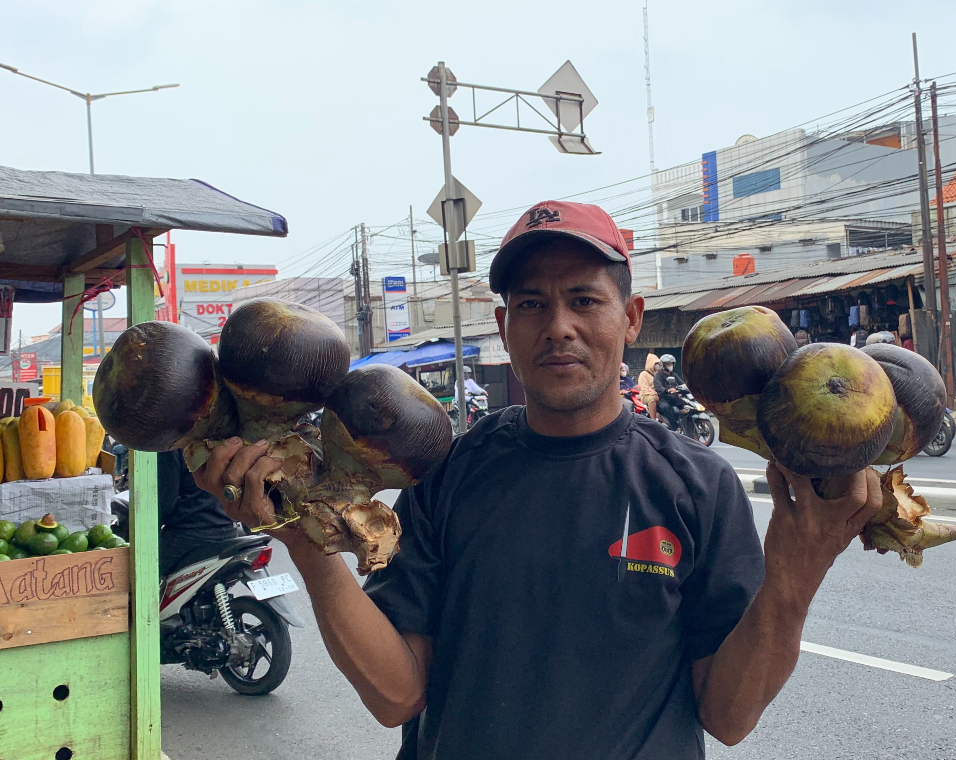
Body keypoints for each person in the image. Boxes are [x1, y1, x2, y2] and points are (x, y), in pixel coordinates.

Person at [194, 200, 882, 760]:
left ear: (631, 319)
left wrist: (796, 573)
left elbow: (728, 718)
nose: (559, 327)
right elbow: (396, 696)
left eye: (585, 301)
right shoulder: (449, 471)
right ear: (504, 325)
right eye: (532, 305)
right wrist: (307, 546)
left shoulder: (696, 486)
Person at [158, 449, 239, 577]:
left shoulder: (172, 446)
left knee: (141, 571)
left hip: (187, 535)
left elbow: (165, 500)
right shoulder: (221, 439)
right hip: (229, 530)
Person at [653, 353, 684, 430]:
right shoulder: (658, 375)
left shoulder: (673, 374)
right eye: (668, 364)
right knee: (665, 407)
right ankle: (675, 427)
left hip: (675, 397)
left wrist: (686, 387)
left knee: (686, 405)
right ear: (663, 365)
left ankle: (685, 424)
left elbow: (681, 383)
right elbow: (658, 387)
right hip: (664, 398)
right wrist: (667, 390)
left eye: (672, 364)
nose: (671, 366)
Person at [638, 353, 660, 421]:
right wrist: (654, 394)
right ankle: (653, 419)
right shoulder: (643, 374)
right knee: (652, 399)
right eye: (656, 364)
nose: (658, 366)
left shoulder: (658, 374)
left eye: (658, 364)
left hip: (658, 394)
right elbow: (644, 387)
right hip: (646, 395)